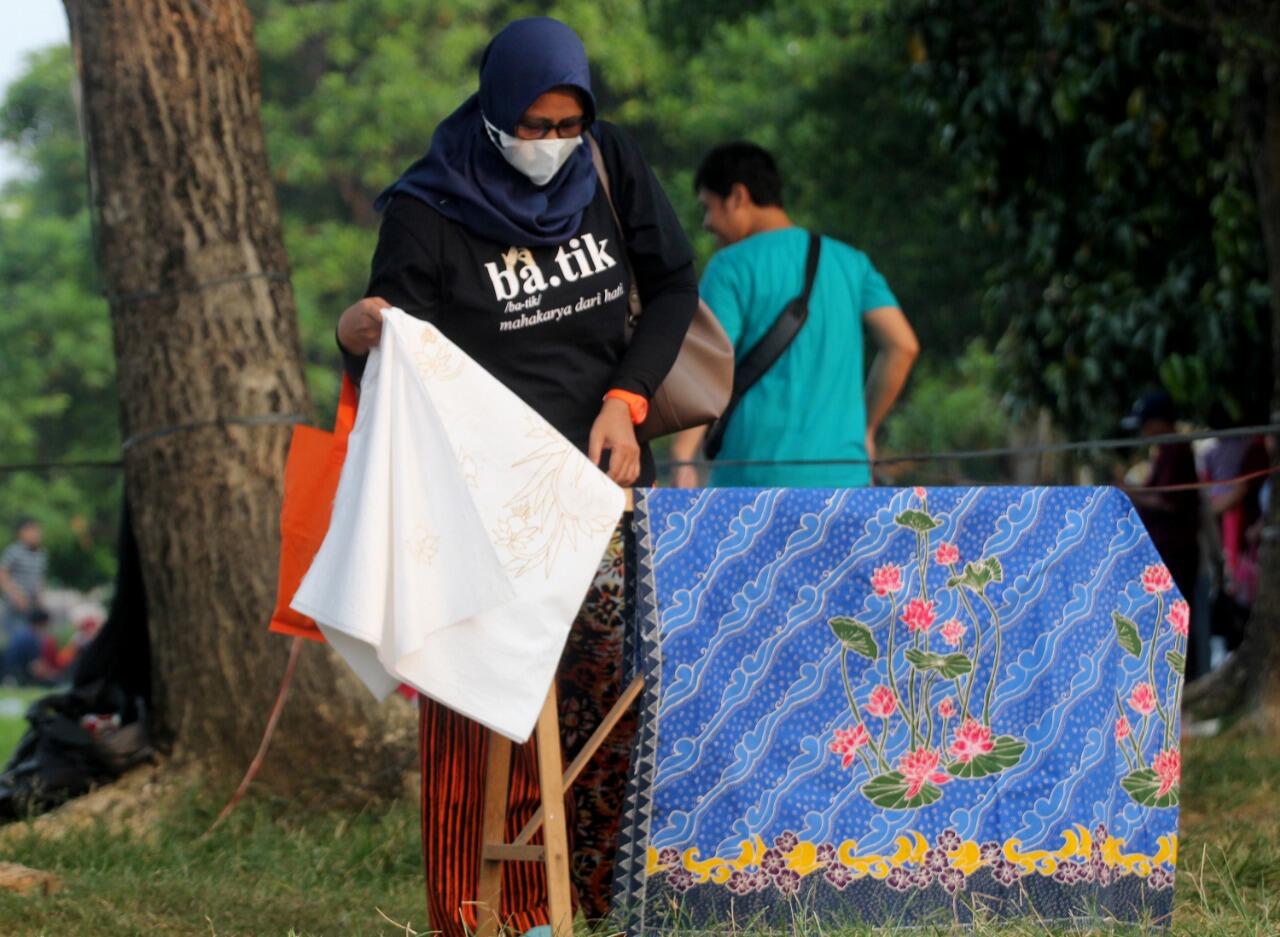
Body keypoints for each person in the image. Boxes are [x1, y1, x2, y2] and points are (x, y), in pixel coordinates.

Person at [333, 18, 697, 937]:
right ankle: (484, 912)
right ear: (493, 111)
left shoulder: (608, 164)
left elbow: (675, 285)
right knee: (479, 702)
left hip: (601, 480)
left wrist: (628, 398)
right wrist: (356, 335)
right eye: (529, 126)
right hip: (482, 499)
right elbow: (395, 359)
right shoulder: (428, 211)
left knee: (609, 693)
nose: (548, 145)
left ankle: (602, 897)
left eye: (564, 124)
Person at [670, 142, 918, 488]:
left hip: (753, 486)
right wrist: (866, 429)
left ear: (737, 197)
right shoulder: (851, 262)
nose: (708, 223)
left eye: (708, 207)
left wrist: (683, 455)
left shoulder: (730, 267)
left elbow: (704, 367)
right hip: (845, 478)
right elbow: (902, 345)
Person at [1121, 391, 1206, 676]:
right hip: (1167, 550)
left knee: (1176, 619)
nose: (1144, 432)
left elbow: (1168, 502)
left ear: (1158, 422)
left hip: (1177, 551)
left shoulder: (1175, 450)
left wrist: (1130, 492)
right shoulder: (1165, 451)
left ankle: (1186, 680)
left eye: (1146, 424)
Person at [0, 518, 48, 643]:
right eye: (33, 531)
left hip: (31, 606)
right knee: (18, 640)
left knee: (35, 641)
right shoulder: (14, 551)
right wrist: (16, 596)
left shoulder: (41, 553)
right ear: (22, 533)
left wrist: (40, 598)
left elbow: (39, 578)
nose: (37, 534)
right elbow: (2, 574)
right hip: (15, 607)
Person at [2, 608, 61, 687]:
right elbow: (36, 668)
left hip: (9, 673)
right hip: (18, 677)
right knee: (54, 682)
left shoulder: (22, 634)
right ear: (42, 623)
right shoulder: (30, 638)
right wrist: (53, 674)